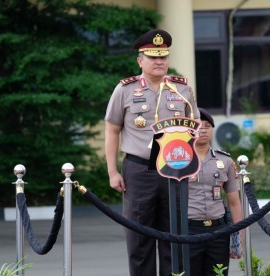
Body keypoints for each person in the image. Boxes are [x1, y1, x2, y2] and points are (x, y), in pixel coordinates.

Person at [104, 28, 200, 276]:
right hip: (139, 170)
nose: (159, 62)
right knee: (139, 237)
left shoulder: (182, 90)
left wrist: (195, 166)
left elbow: (196, 130)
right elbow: (112, 130)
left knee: (174, 234)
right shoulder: (125, 89)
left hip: (175, 169)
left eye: (163, 56)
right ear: (140, 60)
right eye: (153, 56)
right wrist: (112, 171)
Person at [187, 108, 243, 276]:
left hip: (219, 231)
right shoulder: (180, 161)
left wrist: (238, 235)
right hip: (189, 230)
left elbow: (233, 202)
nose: (202, 129)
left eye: (207, 126)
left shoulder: (225, 161)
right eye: (198, 125)